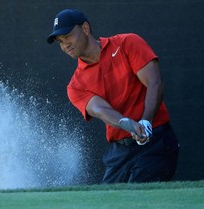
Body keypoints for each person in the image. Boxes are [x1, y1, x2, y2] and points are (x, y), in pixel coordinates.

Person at [47, 9, 180, 183]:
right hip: (120, 152)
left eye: (68, 36)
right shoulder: (75, 86)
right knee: (107, 204)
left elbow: (155, 83)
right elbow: (102, 110)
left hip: (156, 141)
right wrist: (129, 125)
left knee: (137, 199)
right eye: (60, 41)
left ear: (85, 28)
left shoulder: (127, 43)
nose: (65, 45)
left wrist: (146, 122)